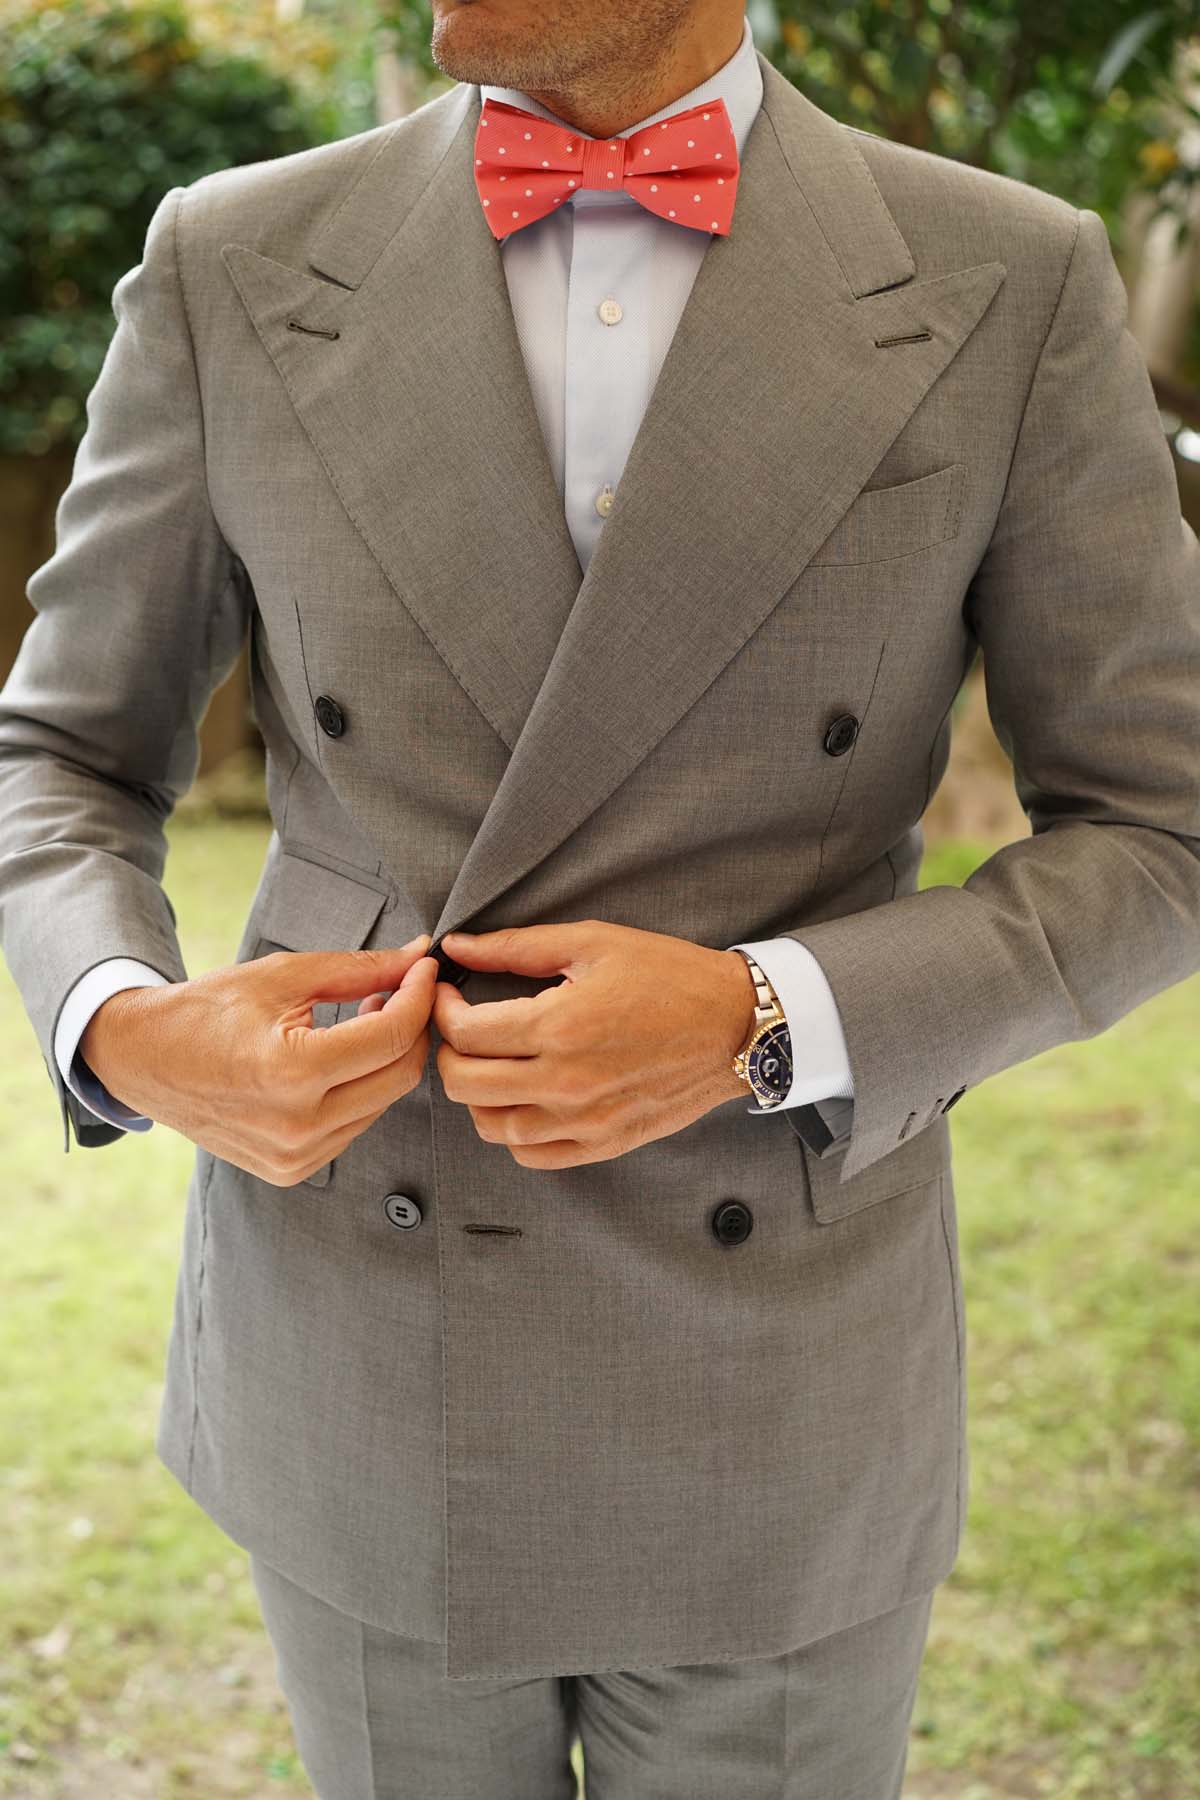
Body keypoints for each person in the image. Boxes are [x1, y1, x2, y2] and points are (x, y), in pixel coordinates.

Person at [1, 1, 1197, 1794]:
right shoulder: (231, 257)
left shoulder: (1003, 281)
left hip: (775, 1383)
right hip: (363, 1348)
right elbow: (63, 755)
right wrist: (129, 1028)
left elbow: (1161, 825)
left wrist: (766, 1016)